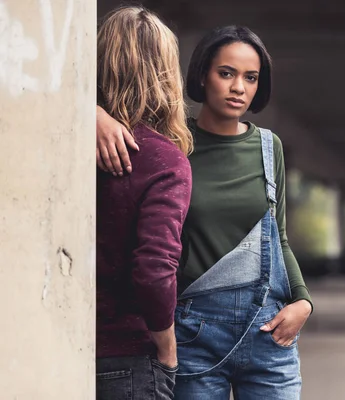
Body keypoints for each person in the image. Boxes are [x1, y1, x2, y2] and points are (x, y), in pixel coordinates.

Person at [96, 25, 312, 399]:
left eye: (251, 78)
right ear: (201, 75)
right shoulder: (175, 145)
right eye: (226, 73)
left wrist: (304, 301)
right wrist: (91, 111)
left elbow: (280, 237)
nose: (238, 88)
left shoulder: (267, 147)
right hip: (193, 334)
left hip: (267, 334)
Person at [95, 6, 193, 400]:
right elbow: (153, 270)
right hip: (129, 359)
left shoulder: (61, 143)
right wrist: (168, 350)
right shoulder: (163, 159)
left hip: (53, 343)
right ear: (165, 73)